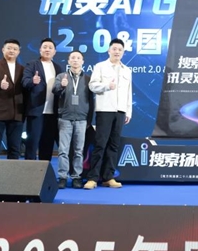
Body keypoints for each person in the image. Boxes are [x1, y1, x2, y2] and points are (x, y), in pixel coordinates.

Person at [84, 38, 132, 190]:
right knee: (100, 144)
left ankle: (108, 177)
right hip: (105, 110)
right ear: (109, 50)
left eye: (120, 50)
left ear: (123, 52)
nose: (117, 52)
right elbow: (92, 86)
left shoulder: (127, 70)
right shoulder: (100, 66)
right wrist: (106, 86)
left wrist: (128, 111)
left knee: (114, 145)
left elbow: (129, 92)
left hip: (120, 110)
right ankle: (92, 178)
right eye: (114, 49)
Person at [52, 51, 94, 189]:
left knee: (78, 150)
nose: (75, 60)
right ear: (69, 61)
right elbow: (55, 91)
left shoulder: (88, 79)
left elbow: (91, 101)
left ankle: (76, 177)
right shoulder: (61, 76)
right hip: (65, 118)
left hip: (81, 119)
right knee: (63, 150)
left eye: (78, 58)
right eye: (73, 58)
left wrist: (89, 120)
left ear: (83, 61)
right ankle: (62, 177)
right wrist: (62, 86)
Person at [22, 38, 63, 161]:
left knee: (47, 144)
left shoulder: (58, 67)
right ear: (40, 50)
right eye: (45, 47)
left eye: (50, 48)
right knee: (32, 143)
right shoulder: (32, 64)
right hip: (36, 110)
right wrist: (32, 81)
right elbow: (24, 82)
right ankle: (29, 170)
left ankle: (44, 169)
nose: (47, 50)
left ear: (55, 51)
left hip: (52, 112)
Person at [0, 38, 25, 159]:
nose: (12, 51)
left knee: (15, 148)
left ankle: (12, 171)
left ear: (19, 52)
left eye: (15, 49)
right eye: (9, 48)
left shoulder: (23, 69)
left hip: (17, 114)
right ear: (3, 50)